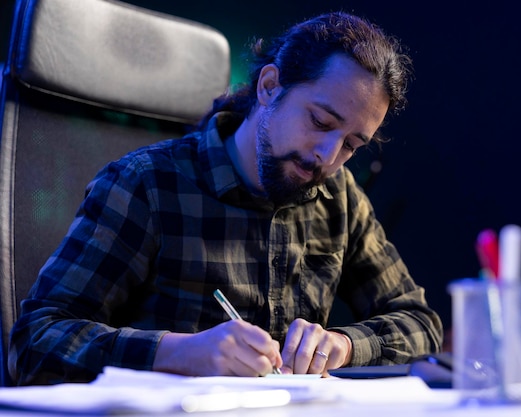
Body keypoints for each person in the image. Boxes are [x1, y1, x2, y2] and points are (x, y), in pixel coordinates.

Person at [8, 11, 443, 385]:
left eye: (352, 144)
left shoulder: (338, 196)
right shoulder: (147, 184)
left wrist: (344, 345)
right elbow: (33, 343)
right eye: (319, 120)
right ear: (270, 87)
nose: (327, 157)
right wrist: (178, 354)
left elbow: (421, 323)